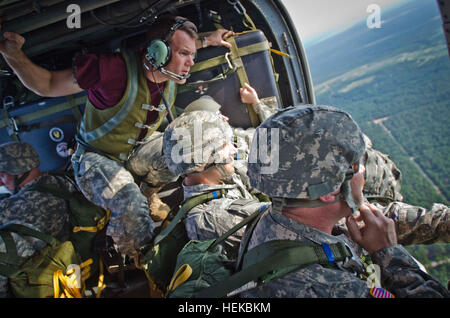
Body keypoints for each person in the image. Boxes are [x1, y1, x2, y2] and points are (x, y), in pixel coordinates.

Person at [0, 15, 234, 260]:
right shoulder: (114, 70)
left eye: (193, 54)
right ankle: (142, 259)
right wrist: (12, 54)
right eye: (184, 54)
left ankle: (149, 195)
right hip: (94, 159)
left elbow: (187, 48)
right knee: (132, 205)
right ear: (159, 52)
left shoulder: (170, 75)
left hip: (135, 151)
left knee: (184, 148)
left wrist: (209, 39)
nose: (190, 62)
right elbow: (47, 84)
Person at [239, 105, 449, 298]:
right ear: (328, 190)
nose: (364, 170)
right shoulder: (324, 288)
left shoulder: (281, 213)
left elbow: (380, 215)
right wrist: (389, 253)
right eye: (356, 165)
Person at [162, 97, 268, 259]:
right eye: (224, 146)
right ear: (202, 165)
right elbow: (291, 225)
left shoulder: (219, 178)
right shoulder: (212, 218)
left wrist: (258, 104)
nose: (234, 150)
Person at [0, 142, 76, 297]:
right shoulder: (60, 181)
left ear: (18, 173)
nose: (1, 182)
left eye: (2, 175)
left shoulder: (16, 207)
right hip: (69, 262)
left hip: (42, 275)